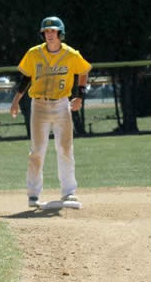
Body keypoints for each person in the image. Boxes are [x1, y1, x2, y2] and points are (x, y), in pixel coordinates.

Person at [9, 16, 91, 207]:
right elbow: (26, 78)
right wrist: (16, 101)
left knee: (65, 148)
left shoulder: (71, 54)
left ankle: (68, 192)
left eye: (53, 31)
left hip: (62, 104)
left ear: (60, 33)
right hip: (39, 105)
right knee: (37, 151)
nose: (49, 34)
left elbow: (84, 71)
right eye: (46, 31)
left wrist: (79, 96)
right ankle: (33, 194)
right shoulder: (34, 53)